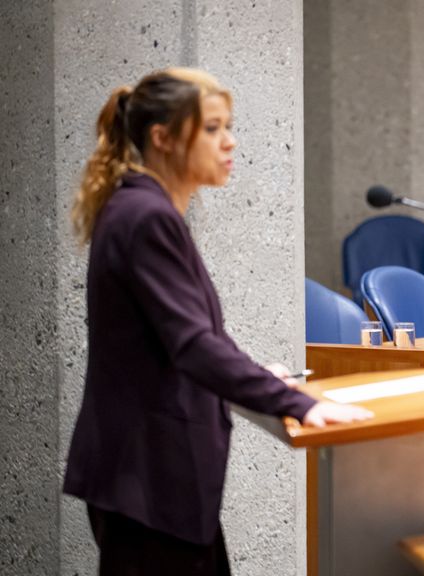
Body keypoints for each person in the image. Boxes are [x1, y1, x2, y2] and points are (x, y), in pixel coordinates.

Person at [63, 68, 373, 575]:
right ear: (162, 138)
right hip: (147, 477)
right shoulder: (146, 217)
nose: (230, 143)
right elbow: (192, 346)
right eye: (211, 128)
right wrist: (297, 403)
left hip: (157, 479)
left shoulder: (144, 210)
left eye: (228, 126)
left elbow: (185, 337)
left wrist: (260, 377)